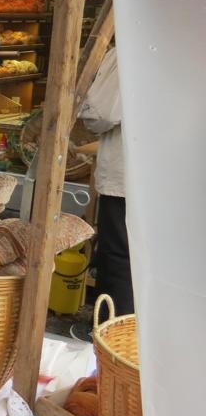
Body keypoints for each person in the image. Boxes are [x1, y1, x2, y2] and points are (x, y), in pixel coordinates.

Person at [79, 47, 133, 316]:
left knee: (120, 257)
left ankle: (112, 332)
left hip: (128, 177)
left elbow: (101, 113)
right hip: (174, 179)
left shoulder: (131, 47)